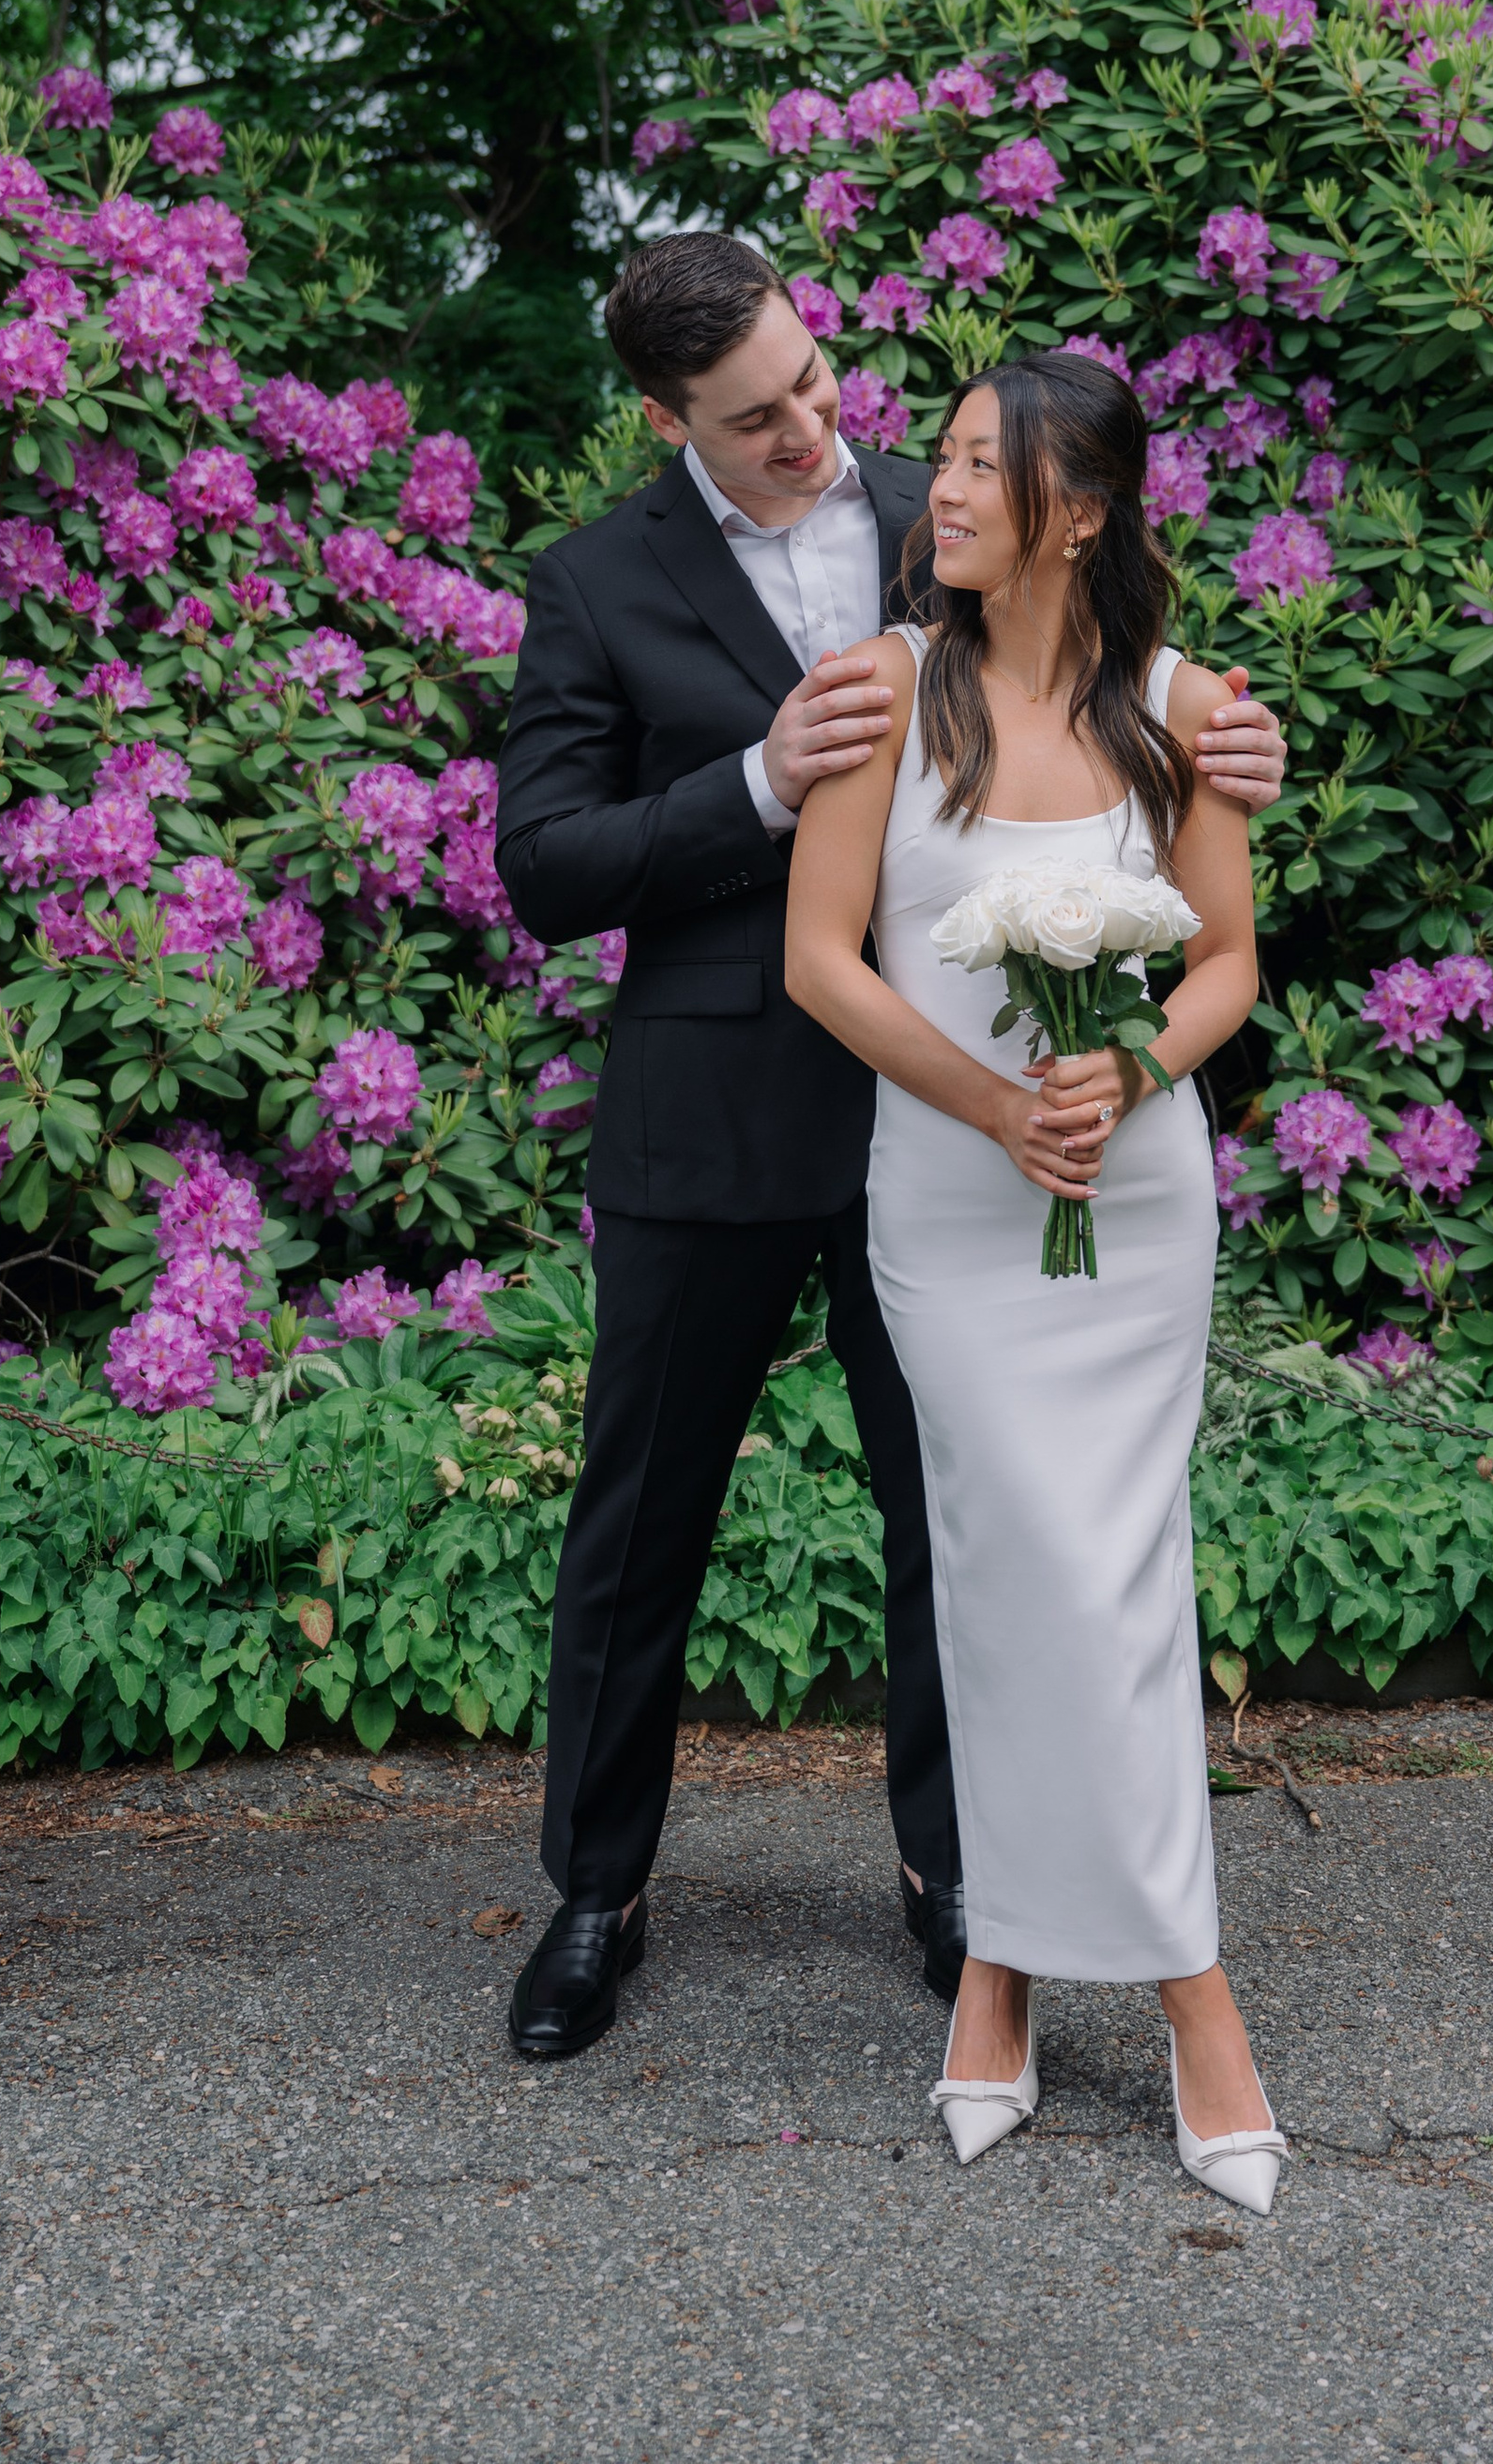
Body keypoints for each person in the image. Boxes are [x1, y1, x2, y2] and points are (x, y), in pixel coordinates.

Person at [493, 235, 1289, 2063]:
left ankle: (964, 1892)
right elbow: (541, 871)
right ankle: (597, 1895)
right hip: (706, 1125)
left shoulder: (950, 507)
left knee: (956, 1524)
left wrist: (1216, 732)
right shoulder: (594, 585)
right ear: (663, 418)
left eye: (814, 381)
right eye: (753, 418)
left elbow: (1095, 684)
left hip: (951, 1122)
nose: (806, 431)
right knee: (641, 1534)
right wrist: (760, 781)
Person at [784, 348, 1289, 2215]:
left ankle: (1083, 1979)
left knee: (1112, 1573)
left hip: (1134, 1208)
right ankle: (1109, 1975)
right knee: (1013, 1573)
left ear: (1077, 510)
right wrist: (1000, 1103)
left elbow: (1224, 963)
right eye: (948, 464)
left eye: (987, 471)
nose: (945, 494)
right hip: (954, 1200)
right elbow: (822, 966)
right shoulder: (872, 697)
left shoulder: (1185, 710)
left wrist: (1130, 1066)